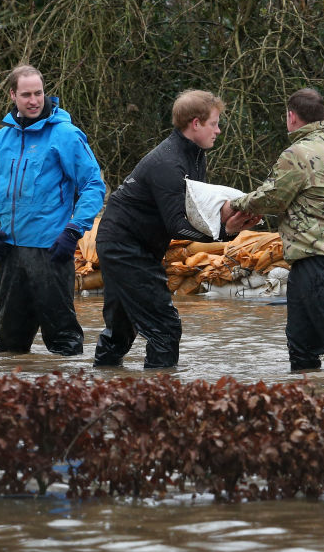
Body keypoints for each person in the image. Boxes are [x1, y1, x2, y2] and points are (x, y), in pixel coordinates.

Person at [93, 90, 258, 369]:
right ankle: (162, 398)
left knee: (120, 331)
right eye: (214, 124)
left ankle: (101, 385)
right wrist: (223, 232)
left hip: (134, 245)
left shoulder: (195, 157)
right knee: (165, 327)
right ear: (195, 124)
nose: (218, 130)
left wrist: (228, 229)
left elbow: (198, 212)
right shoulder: (168, 163)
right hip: (124, 247)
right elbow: (179, 225)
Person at [223, 88, 324, 374]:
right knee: (301, 340)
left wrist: (234, 203)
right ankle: (307, 401)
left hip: (323, 256)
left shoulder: (296, 153)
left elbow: (273, 196)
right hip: (321, 257)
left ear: (291, 116)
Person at [0, 65, 106, 356]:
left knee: (64, 341)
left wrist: (73, 231)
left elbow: (93, 186)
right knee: (9, 345)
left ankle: (70, 396)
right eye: (26, 95)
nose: (33, 100)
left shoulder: (66, 136)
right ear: (13, 95)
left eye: (38, 93)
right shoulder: (0, 141)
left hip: (51, 252)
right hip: (9, 253)